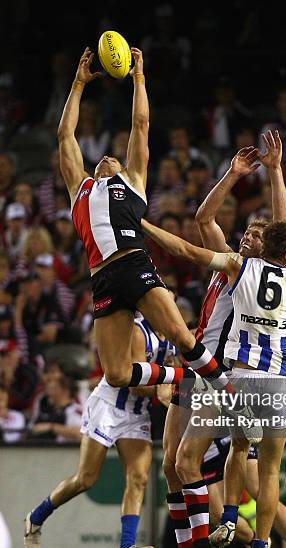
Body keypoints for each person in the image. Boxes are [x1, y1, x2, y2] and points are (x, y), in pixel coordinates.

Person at [160, 133, 286, 548]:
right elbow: (203, 218)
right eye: (245, 231)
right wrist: (234, 175)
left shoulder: (242, 272)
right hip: (203, 365)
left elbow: (282, 227)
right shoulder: (237, 262)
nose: (248, 237)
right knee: (173, 463)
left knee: (198, 459)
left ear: (270, 249)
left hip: (225, 373)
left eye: (256, 235)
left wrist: (275, 173)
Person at [57, 47, 231, 396]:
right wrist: (77, 84)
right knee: (117, 374)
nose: (108, 157)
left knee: (182, 336)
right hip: (101, 279)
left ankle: (232, 396)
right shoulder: (80, 189)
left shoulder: (133, 181)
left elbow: (141, 124)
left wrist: (139, 77)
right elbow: (65, 136)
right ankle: (187, 379)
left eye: (115, 158)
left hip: (133, 264)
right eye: (102, 157)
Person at [24, 316, 176, 548]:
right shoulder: (138, 331)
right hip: (108, 406)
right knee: (86, 479)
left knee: (139, 477)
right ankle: (36, 517)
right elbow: (136, 385)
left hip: (136, 414)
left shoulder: (171, 338)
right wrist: (163, 387)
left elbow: (172, 375)